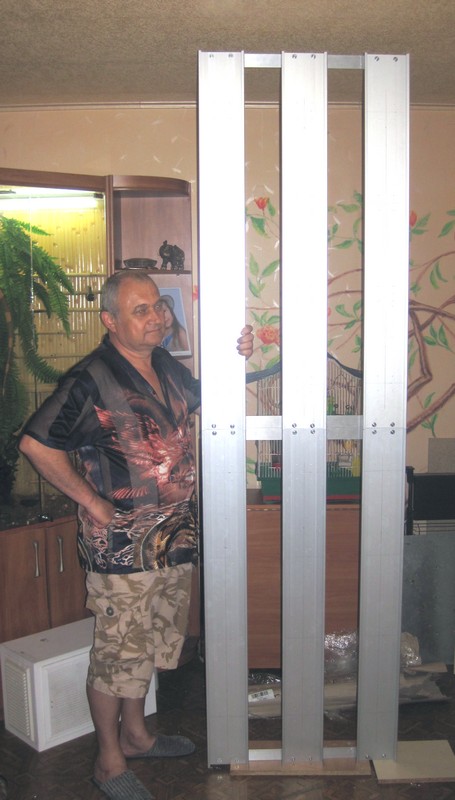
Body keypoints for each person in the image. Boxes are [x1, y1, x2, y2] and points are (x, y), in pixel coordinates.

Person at [19, 269, 253, 800]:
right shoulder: (91, 378)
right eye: (140, 310)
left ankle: (137, 735)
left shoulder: (164, 364)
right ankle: (108, 761)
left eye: (158, 306)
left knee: (145, 645)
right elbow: (36, 444)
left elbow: (206, 400)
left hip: (172, 538)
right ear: (110, 320)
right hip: (122, 549)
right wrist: (91, 501)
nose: (156, 318)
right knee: (118, 654)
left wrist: (238, 357)